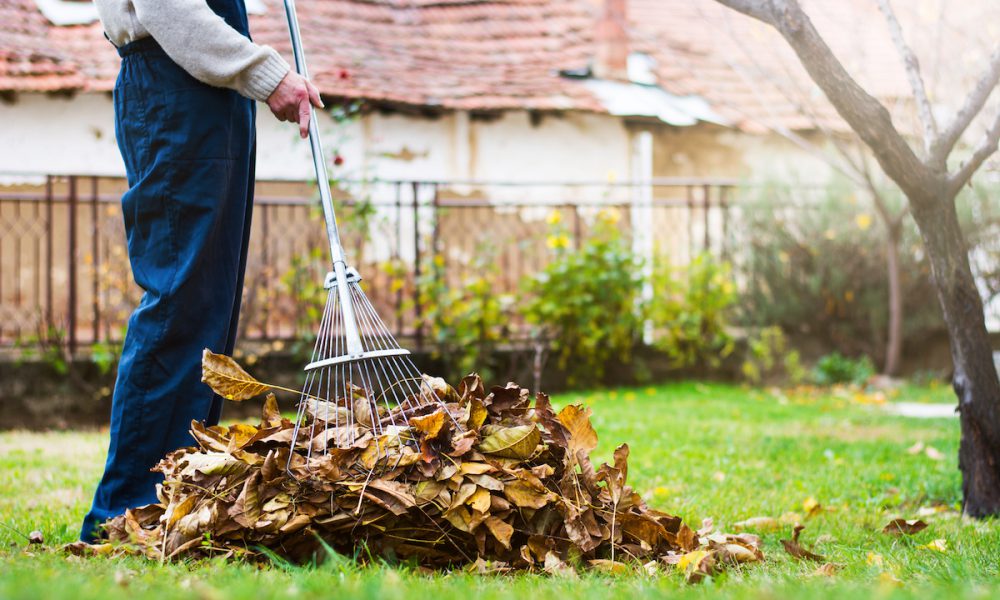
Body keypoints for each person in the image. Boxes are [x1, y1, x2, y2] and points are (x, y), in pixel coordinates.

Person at [81, 0, 322, 543]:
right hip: (174, 88)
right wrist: (266, 73)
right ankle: (128, 509)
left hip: (205, 97)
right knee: (180, 302)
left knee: (208, 308)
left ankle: (179, 496)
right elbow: (168, 8)